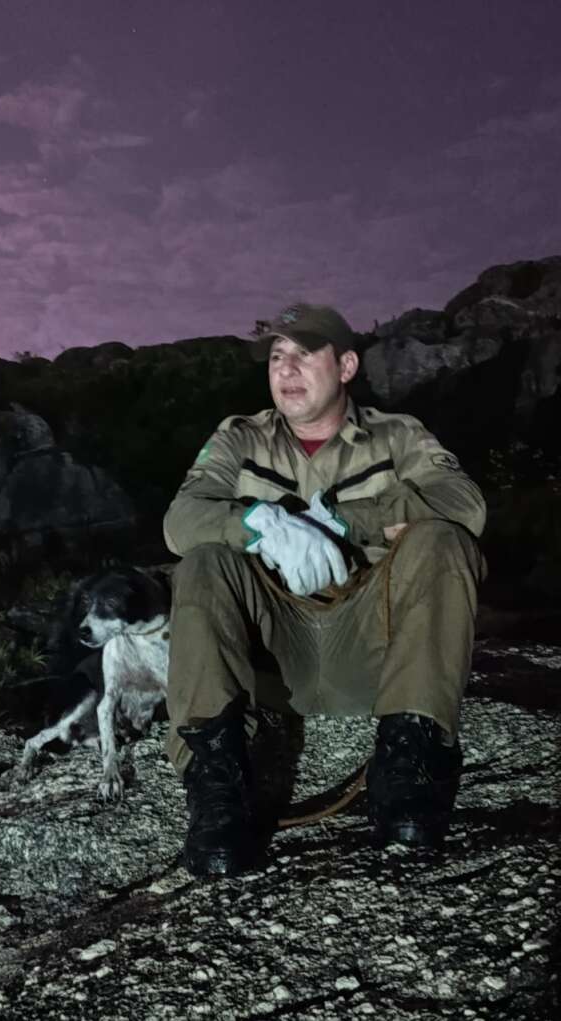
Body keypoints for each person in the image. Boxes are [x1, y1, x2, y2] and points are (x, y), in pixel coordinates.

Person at [163, 302, 486, 877]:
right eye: (277, 357)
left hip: (375, 649)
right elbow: (180, 520)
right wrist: (257, 525)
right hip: (273, 657)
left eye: (304, 354)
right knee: (204, 561)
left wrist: (343, 520)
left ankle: (409, 768)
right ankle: (216, 787)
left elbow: (465, 504)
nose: (285, 369)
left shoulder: (398, 434)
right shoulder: (239, 437)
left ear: (346, 366)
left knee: (443, 541)